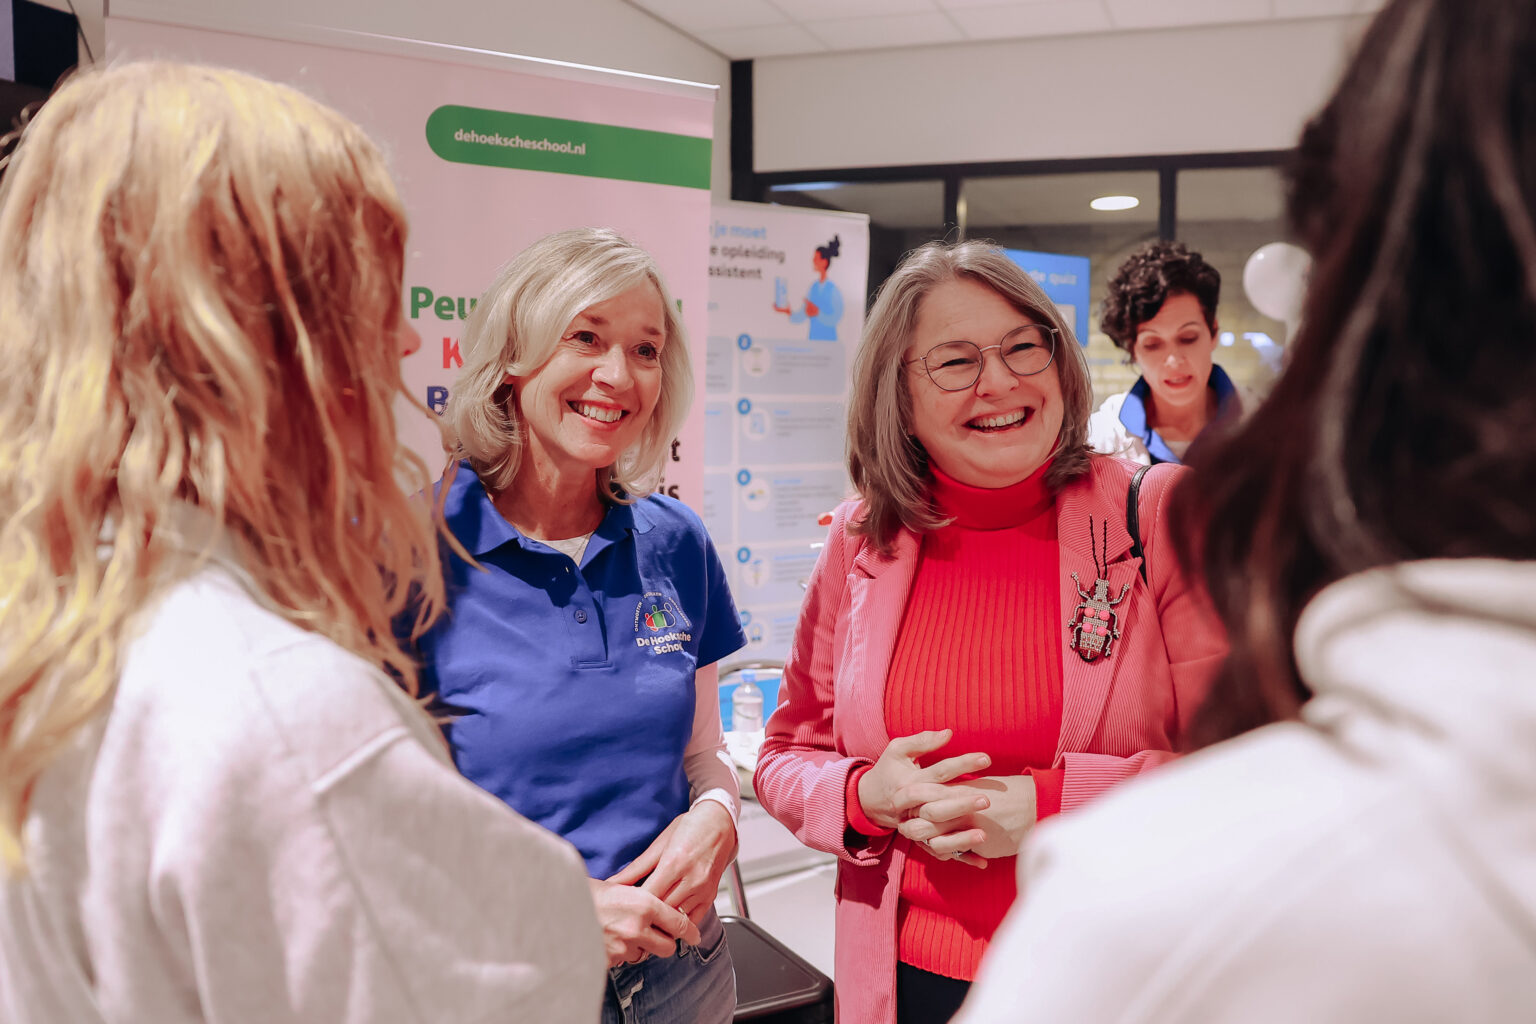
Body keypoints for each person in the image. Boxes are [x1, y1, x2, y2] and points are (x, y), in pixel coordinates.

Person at [955, 1, 1536, 1020]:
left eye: (1191, 339)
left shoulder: (1146, 914)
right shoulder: (1095, 468)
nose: (1175, 363)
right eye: (955, 364)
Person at [0, 62, 603, 1024]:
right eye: (373, 299)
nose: (408, 343)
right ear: (265, 340)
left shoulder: (55, 630)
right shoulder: (287, 719)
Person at [753, 239, 1227, 1024]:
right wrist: (863, 794)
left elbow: (1244, 771)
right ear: (897, 395)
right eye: (955, 362)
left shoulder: (1163, 514)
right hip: (908, 982)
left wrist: (1054, 805)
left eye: (1021, 349)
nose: (1000, 383)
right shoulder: (861, 541)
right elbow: (786, 754)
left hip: (1114, 979)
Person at [414, 227, 746, 1023]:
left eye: (645, 349)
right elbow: (373, 826)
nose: (617, 375)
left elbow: (705, 753)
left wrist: (718, 820)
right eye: (586, 338)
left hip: (683, 976)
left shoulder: (676, 540)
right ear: (513, 356)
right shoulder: (410, 551)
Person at [1087, 241, 1253, 465]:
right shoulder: (1100, 439)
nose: (1174, 361)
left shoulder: (1268, 423)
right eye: (1152, 344)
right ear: (1132, 349)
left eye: (1188, 338)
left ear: (1213, 333)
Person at [775, 234, 844, 340]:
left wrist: (818, 313)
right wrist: (788, 312)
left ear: (824, 262)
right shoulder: (813, 288)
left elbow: (836, 317)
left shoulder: (833, 289)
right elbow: (803, 314)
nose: (813, 261)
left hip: (829, 342)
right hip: (813, 339)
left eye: (816, 258)